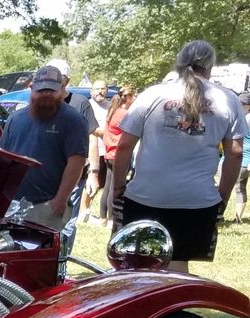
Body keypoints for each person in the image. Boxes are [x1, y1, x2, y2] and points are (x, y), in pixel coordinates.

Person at [105, 40, 247, 273]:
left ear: (179, 62)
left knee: (134, 267)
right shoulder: (227, 99)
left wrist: (118, 187)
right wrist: (221, 196)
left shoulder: (153, 94)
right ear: (210, 66)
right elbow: (235, 153)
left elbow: (124, 146)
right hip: (198, 201)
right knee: (179, 266)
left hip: (146, 196)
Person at [0, 65, 89, 218]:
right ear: (31, 88)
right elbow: (2, 157)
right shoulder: (15, 118)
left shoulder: (74, 121)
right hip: (10, 203)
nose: (46, 94)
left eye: (52, 90)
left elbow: (76, 162)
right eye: (41, 90)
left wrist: (60, 201)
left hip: (46, 205)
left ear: (62, 89)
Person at [101, 84, 137, 229]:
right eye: (134, 96)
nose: (135, 99)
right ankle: (111, 218)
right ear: (127, 97)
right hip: (117, 153)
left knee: (108, 185)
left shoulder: (113, 110)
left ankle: (103, 217)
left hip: (110, 151)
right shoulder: (123, 114)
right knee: (116, 187)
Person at [80, 79, 110, 222]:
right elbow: (89, 129)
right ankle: (85, 211)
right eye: (97, 89)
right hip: (90, 151)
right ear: (91, 91)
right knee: (89, 181)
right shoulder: (87, 106)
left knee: (101, 183)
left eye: (103, 89)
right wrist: (107, 133)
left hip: (105, 150)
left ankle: (93, 211)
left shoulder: (110, 106)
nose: (100, 92)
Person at [235, 91, 250, 224]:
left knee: (240, 188)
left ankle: (237, 218)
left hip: (245, 160)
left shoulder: (247, 119)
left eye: (242, 104)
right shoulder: (238, 117)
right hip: (231, 159)